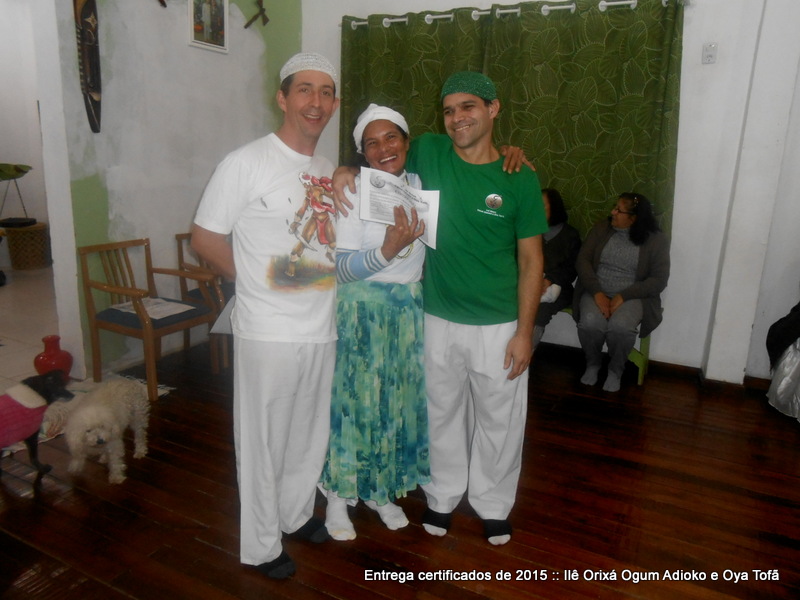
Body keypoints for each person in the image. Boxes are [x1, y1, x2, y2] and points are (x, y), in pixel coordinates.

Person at [190, 52, 340, 580]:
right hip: (268, 330)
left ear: (334, 103)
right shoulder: (246, 162)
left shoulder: (326, 169)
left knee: (308, 433)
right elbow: (204, 237)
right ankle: (260, 544)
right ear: (282, 97)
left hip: (321, 325)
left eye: (325, 92)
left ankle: (295, 514)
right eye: (304, 90)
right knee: (263, 441)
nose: (315, 102)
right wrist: (254, 279)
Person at [407, 72, 546, 546]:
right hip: (437, 317)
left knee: (499, 420)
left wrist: (524, 332)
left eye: (468, 107)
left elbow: (532, 261)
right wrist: (348, 170)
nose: (457, 118)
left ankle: (492, 503)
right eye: (448, 110)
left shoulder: (519, 176)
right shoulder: (429, 151)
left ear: (493, 109)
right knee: (440, 413)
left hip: (499, 324)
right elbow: (381, 151)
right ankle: (442, 495)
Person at [320, 104, 429, 541]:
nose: (383, 149)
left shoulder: (420, 187)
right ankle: (337, 494)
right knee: (354, 405)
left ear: (406, 141)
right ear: (362, 153)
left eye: (391, 138)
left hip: (406, 311)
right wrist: (386, 251)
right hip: (362, 310)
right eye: (371, 143)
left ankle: (378, 490)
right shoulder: (354, 191)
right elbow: (338, 268)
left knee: (392, 407)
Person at [573, 192, 670, 392]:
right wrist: (597, 292)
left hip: (633, 296)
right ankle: (593, 364)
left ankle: (615, 370)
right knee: (590, 323)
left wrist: (623, 296)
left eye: (619, 210)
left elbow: (659, 279)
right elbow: (583, 260)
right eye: (614, 207)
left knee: (621, 328)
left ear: (634, 218)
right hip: (595, 291)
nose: (613, 212)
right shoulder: (602, 228)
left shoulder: (656, 240)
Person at [533, 188, 582, 349]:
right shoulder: (530, 232)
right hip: (530, 283)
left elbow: (572, 269)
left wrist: (549, 280)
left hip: (559, 288)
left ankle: (527, 352)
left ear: (554, 208)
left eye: (542, 206)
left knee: (541, 310)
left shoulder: (570, 235)